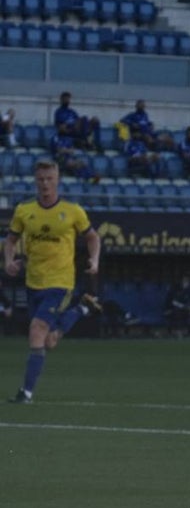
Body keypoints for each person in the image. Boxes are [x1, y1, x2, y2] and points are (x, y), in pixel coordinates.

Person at [5, 159, 102, 403]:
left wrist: (94, 260)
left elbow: (93, 237)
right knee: (48, 340)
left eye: (50, 179)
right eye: (41, 179)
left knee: (36, 330)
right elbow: (11, 240)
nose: (45, 184)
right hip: (33, 282)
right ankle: (82, 308)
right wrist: (9, 261)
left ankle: (25, 393)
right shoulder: (24, 210)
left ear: (57, 180)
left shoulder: (72, 211)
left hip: (61, 282)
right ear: (35, 181)